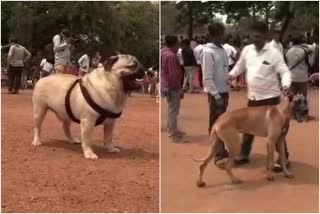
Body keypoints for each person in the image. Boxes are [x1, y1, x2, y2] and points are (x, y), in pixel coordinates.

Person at [226, 21, 292, 171]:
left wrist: (286, 84)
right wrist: (231, 75)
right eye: (254, 36)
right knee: (248, 126)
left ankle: (284, 158)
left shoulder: (273, 52)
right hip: (254, 97)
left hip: (271, 98)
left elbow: (284, 71)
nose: (256, 39)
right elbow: (240, 65)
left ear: (266, 36)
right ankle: (243, 154)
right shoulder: (247, 50)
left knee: (276, 131)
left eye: (259, 37)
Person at [200, 22, 230, 163]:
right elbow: (207, 78)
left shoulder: (222, 49)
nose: (225, 35)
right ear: (216, 34)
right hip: (216, 94)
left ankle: (221, 149)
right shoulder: (208, 52)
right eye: (223, 32)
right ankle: (216, 153)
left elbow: (223, 70)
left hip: (224, 92)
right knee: (215, 124)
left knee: (223, 123)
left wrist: (230, 81)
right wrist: (216, 96)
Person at [161, 35, 187, 143]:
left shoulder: (163, 52)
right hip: (172, 86)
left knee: (171, 109)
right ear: (175, 44)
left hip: (166, 84)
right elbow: (174, 74)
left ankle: (172, 129)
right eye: (178, 44)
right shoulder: (171, 56)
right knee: (173, 110)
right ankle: (173, 134)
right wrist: (179, 88)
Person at [285, 35, 314, 122]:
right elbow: (311, 63)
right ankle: (305, 115)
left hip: (291, 77)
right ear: (301, 42)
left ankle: (292, 115)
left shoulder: (287, 52)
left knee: (292, 97)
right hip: (303, 77)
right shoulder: (305, 51)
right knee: (304, 97)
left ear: (292, 42)